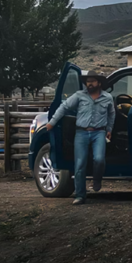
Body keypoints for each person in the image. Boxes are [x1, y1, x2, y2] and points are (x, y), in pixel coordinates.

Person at [45, 72, 114, 205]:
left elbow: (111, 114)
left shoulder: (107, 98)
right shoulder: (79, 96)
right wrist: (52, 122)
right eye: (88, 81)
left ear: (99, 83)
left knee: (99, 159)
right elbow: (64, 107)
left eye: (92, 81)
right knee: (80, 164)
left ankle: (97, 179)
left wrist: (109, 129)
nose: (89, 84)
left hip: (99, 133)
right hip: (81, 133)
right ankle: (80, 195)